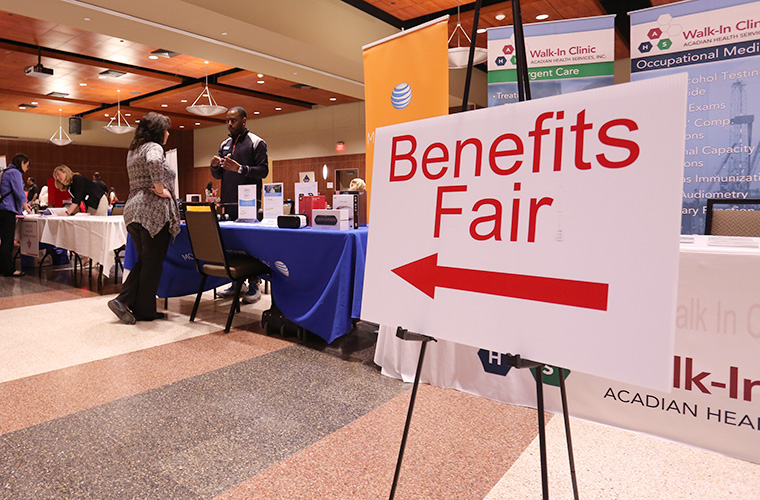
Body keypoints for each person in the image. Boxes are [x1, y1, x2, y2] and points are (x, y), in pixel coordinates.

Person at [108, 112, 179, 324]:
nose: (167, 134)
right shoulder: (154, 148)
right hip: (153, 212)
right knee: (152, 263)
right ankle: (124, 299)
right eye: (166, 129)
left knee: (146, 262)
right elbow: (156, 161)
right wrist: (160, 188)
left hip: (133, 211)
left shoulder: (134, 150)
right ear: (158, 131)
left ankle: (143, 308)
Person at [210, 106, 269, 304]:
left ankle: (254, 284)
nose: (229, 124)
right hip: (228, 202)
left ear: (244, 120)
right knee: (231, 244)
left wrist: (241, 168)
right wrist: (214, 167)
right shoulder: (224, 144)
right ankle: (236, 283)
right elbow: (219, 175)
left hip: (249, 203)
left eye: (233, 120)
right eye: (227, 120)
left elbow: (263, 171)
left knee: (249, 245)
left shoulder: (256, 142)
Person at [0, 153, 32, 277]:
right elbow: (19, 191)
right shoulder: (15, 173)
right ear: (22, 163)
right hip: (8, 210)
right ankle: (9, 270)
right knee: (8, 241)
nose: (27, 169)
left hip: (2, 208)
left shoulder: (5, 171)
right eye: (27, 165)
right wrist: (26, 207)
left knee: (3, 240)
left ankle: (3, 268)